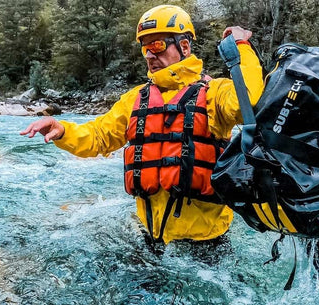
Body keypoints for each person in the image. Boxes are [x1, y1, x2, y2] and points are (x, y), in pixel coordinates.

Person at [20, 5, 264, 245]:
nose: (150, 55)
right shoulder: (135, 99)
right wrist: (63, 130)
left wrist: (241, 47)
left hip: (205, 244)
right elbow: (98, 136)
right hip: (150, 240)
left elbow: (249, 101)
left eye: (157, 45)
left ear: (185, 47)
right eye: (145, 49)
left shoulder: (214, 93)